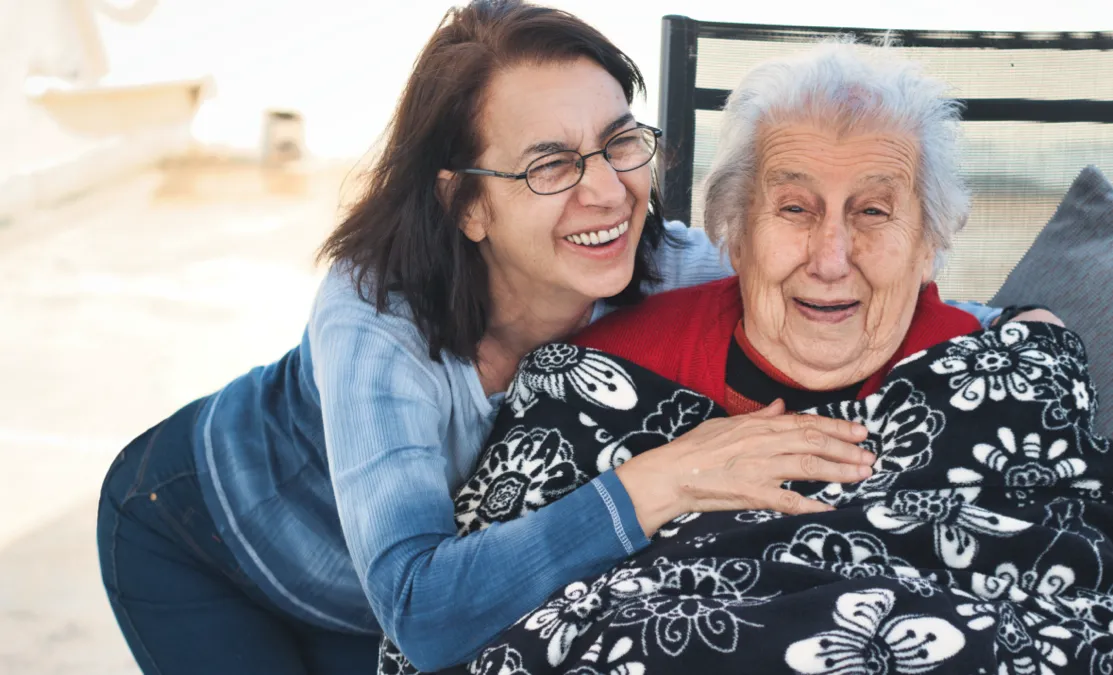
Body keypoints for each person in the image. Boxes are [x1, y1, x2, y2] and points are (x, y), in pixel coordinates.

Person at [95, 4, 1021, 673]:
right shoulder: (374, 313)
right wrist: (660, 480)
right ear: (466, 204)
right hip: (205, 534)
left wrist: (1014, 323)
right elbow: (420, 612)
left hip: (401, 614)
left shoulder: (668, 268)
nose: (609, 192)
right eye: (549, 164)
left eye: (619, 142)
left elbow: (833, 279)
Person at [432, 39, 1095, 675]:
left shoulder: (1011, 381)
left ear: (928, 244)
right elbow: (462, 631)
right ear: (734, 233)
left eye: (871, 211)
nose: (830, 258)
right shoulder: (585, 385)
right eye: (794, 208)